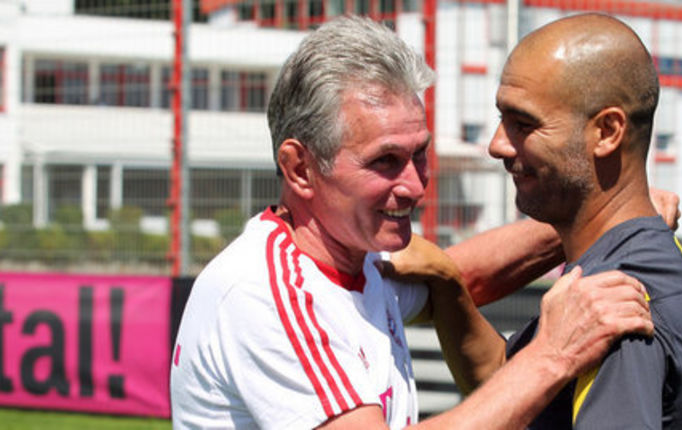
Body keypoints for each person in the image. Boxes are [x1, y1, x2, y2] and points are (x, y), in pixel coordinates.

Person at [169, 15, 654, 429]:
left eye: (419, 154)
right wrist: (553, 354)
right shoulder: (267, 293)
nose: (415, 186)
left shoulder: (353, 255)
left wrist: (611, 214)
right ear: (299, 168)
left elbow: (456, 275)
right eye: (385, 161)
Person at [470, 13, 682, 428]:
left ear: (607, 132)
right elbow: (513, 391)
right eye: (500, 120)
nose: (497, 145)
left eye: (523, 124)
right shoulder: (624, 262)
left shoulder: (613, 302)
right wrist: (443, 285)